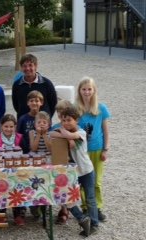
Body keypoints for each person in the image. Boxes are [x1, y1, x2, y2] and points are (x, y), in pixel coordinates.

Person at [50, 106, 99, 237]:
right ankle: (82, 219)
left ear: (76, 120)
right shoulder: (64, 131)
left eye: (69, 120)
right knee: (67, 198)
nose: (66, 123)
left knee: (90, 198)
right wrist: (66, 137)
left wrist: (68, 136)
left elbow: (71, 134)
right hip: (73, 173)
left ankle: (94, 223)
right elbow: (51, 134)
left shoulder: (82, 132)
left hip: (86, 171)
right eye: (64, 120)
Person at [76, 76, 111, 222]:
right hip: (82, 151)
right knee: (83, 181)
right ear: (80, 91)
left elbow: (105, 130)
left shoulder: (101, 108)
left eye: (89, 89)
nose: (86, 92)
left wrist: (106, 149)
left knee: (96, 181)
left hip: (97, 149)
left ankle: (97, 207)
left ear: (94, 90)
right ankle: (86, 207)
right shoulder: (76, 109)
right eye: (84, 89)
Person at [0, 114, 27, 225]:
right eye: (6, 126)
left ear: (15, 127)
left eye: (11, 126)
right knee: (1, 189)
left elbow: (26, 153)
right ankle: (2, 213)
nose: (8, 129)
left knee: (17, 190)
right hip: (1, 171)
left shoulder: (20, 138)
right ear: (1, 126)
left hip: (17, 171)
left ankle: (18, 214)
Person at [12, 53, 57, 120]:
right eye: (24, 66)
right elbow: (16, 105)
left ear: (36, 66)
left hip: (43, 123)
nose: (27, 68)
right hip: (24, 123)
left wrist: (47, 118)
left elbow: (53, 103)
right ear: (21, 67)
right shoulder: (17, 85)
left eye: (30, 65)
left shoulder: (46, 83)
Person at [51, 99, 73, 224]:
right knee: (60, 186)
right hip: (59, 161)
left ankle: (71, 209)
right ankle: (63, 209)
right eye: (58, 112)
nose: (60, 114)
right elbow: (51, 135)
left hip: (72, 160)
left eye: (63, 111)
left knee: (71, 186)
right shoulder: (55, 127)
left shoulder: (74, 127)